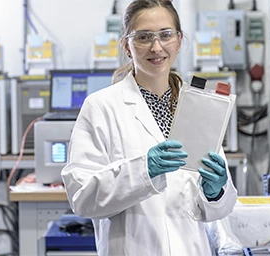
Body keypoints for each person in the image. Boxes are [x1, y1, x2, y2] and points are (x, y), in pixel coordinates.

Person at [61, 0, 237, 255]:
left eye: (165, 35)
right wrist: (143, 171)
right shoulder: (101, 107)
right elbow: (82, 198)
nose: (156, 47)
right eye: (143, 37)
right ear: (127, 46)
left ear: (178, 41)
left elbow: (218, 209)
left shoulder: (198, 108)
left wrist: (216, 192)